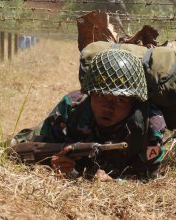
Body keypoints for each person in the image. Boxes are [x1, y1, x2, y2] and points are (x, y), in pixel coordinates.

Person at [10, 49, 166, 181]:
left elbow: (147, 177)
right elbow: (26, 147)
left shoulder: (149, 125)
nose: (108, 107)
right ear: (90, 94)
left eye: (120, 100)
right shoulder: (72, 107)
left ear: (134, 101)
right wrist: (53, 164)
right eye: (100, 95)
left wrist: (116, 182)